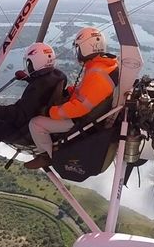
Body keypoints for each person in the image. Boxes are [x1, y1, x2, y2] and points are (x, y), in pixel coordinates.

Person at [24, 27, 119, 169]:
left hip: (82, 122)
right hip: (89, 116)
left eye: (78, 48)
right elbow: (88, 93)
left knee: (35, 124)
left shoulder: (97, 74)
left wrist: (51, 111)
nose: (77, 52)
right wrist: (69, 92)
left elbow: (80, 107)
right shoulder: (104, 66)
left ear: (85, 47)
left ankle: (46, 157)